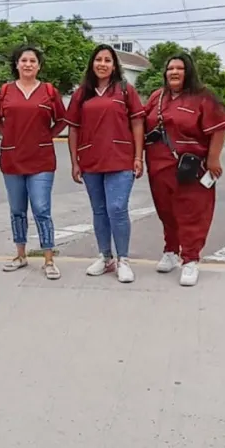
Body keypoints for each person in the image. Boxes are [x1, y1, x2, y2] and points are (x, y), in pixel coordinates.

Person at [143, 52, 225, 287]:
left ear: (189, 71)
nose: (174, 72)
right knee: (166, 212)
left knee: (192, 213)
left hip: (190, 168)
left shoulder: (203, 98)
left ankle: (190, 259)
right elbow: (141, 123)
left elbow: (219, 129)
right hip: (158, 167)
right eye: (170, 68)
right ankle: (171, 251)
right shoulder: (157, 97)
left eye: (179, 68)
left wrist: (213, 159)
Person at [65, 44, 145, 283]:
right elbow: (73, 128)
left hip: (120, 159)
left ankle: (123, 259)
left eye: (107, 60)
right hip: (91, 161)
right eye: (98, 59)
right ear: (92, 64)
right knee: (99, 210)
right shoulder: (82, 93)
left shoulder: (125, 90)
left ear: (114, 65)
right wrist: (74, 162)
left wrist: (138, 157)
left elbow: (138, 123)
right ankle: (105, 256)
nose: (102, 64)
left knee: (117, 208)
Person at [0, 45, 66, 280]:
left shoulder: (48, 91)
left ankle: (48, 259)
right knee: (17, 210)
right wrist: (9, 135)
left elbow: (62, 119)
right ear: (17, 65)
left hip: (41, 158)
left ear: (39, 66)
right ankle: (20, 255)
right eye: (24, 60)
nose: (28, 65)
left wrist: (47, 135)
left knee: (42, 209)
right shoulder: (6, 91)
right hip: (12, 157)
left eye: (33, 61)